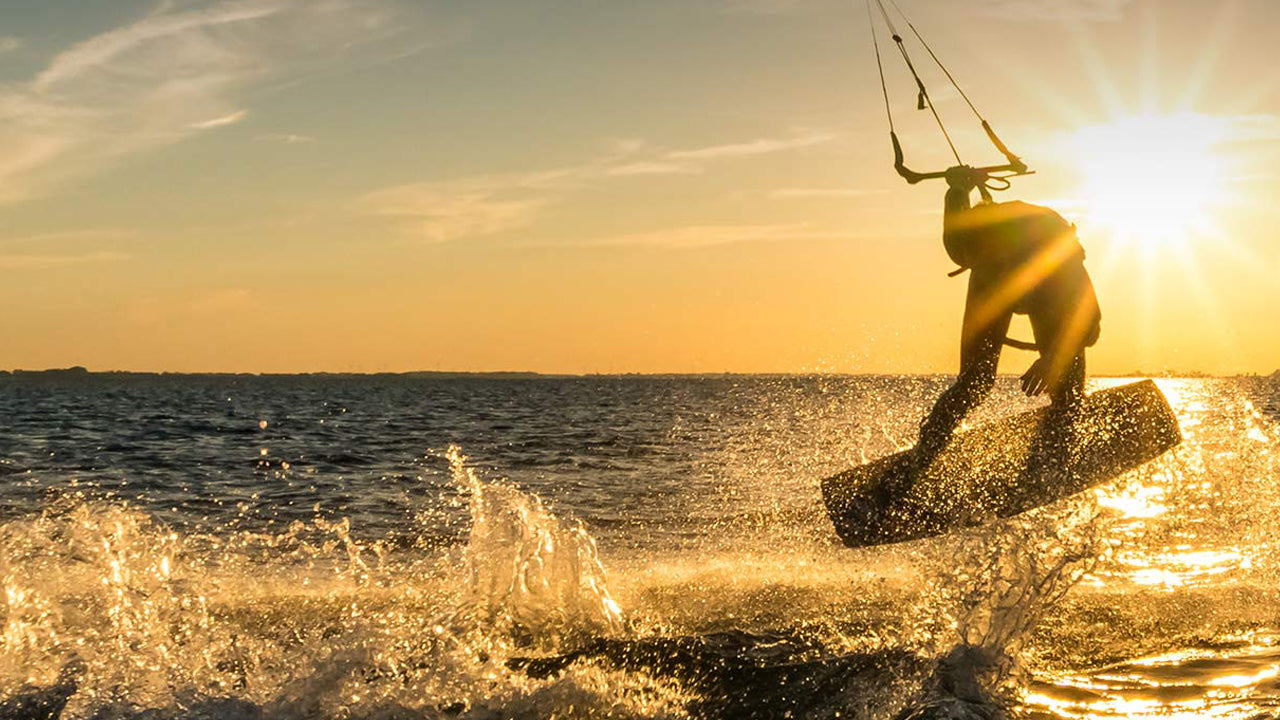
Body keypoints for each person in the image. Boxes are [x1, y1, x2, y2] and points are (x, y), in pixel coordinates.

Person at [910, 165, 1102, 476]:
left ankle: (1064, 439)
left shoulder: (1062, 267)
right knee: (975, 381)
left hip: (1041, 264)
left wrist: (1054, 357)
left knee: (1066, 380)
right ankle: (924, 459)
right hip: (995, 264)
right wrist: (958, 189)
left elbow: (1090, 324)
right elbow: (957, 233)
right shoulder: (973, 250)